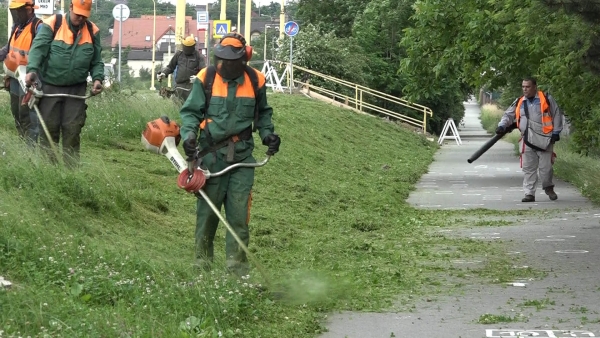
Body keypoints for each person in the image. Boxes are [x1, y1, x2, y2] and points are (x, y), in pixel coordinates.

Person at [178, 32, 281, 277]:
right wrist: (189, 137)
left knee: (238, 218)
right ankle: (201, 269)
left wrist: (268, 134)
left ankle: (237, 272)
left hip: (243, 159)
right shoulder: (207, 78)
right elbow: (191, 113)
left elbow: (263, 114)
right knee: (207, 216)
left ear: (243, 60)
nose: (224, 65)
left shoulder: (256, 81)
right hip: (212, 157)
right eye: (220, 60)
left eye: (230, 62)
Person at [25, 0, 104, 168]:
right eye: (78, 14)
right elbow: (38, 49)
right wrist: (32, 70)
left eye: (84, 15)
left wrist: (98, 78)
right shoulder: (52, 24)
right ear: (70, 8)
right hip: (50, 87)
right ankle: (49, 171)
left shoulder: (93, 31)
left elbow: (97, 61)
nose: (81, 18)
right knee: (49, 130)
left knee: (73, 130)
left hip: (76, 89)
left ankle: (71, 172)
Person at [497, 77, 564, 202]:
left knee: (546, 168)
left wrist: (556, 132)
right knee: (528, 168)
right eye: (523, 87)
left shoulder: (546, 99)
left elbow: (556, 114)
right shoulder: (520, 101)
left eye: (527, 86)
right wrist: (502, 125)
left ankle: (548, 187)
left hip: (545, 140)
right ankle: (529, 193)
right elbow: (508, 115)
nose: (524, 89)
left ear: (534, 87)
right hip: (527, 139)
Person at [0, 0, 42, 145]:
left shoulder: (38, 27)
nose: (16, 13)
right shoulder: (17, 27)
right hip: (14, 79)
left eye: (19, 10)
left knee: (29, 117)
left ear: (29, 9)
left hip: (29, 80)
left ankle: (30, 152)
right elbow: (9, 48)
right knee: (17, 113)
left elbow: (42, 53)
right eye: (15, 10)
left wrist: (35, 78)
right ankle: (23, 147)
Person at [158, 35, 206, 104]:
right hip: (179, 86)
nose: (186, 49)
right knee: (177, 105)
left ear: (193, 47)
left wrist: (198, 78)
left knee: (190, 106)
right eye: (185, 46)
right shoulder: (178, 54)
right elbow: (170, 67)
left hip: (192, 86)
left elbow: (204, 71)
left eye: (188, 47)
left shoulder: (198, 56)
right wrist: (164, 73)